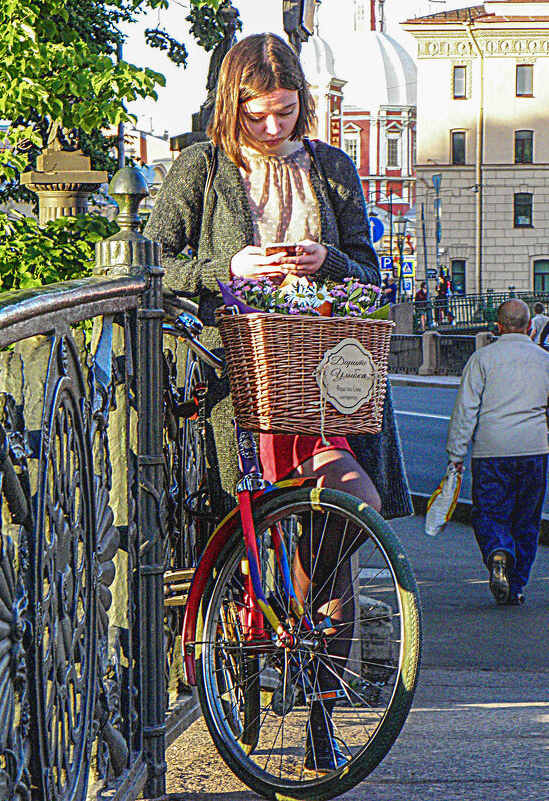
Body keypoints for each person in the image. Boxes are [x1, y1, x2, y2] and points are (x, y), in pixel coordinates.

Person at [144, 32, 412, 771]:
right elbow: (149, 263)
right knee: (243, 524)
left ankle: (319, 696)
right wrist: (224, 265)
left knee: (346, 509)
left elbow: (371, 269)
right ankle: (250, 654)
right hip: (235, 390)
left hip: (322, 381)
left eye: (286, 113)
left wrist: (325, 260)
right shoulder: (200, 167)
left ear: (301, 105)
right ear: (231, 106)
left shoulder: (328, 169)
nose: (272, 128)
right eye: (258, 116)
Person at [445, 299, 549, 606]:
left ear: (498, 327)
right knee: (526, 521)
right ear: (530, 327)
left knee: (489, 513)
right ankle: (516, 587)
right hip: (534, 451)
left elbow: (466, 411)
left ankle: (498, 551)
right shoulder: (546, 362)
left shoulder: (482, 359)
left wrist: (456, 455)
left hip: (491, 452)